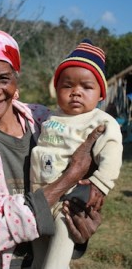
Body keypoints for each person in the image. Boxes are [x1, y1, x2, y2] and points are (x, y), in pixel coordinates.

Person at [0, 28, 104, 269]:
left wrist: (78, 230)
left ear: (15, 79)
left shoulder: (44, 120)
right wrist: (69, 177)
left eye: (3, 78)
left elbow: (74, 198)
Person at [30, 39, 123, 269]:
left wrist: (100, 184)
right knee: (38, 251)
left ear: (101, 94)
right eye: (67, 85)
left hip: (71, 200)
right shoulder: (50, 117)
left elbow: (111, 153)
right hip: (40, 196)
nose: (76, 93)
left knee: (60, 246)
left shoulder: (100, 121)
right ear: (57, 88)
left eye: (86, 87)